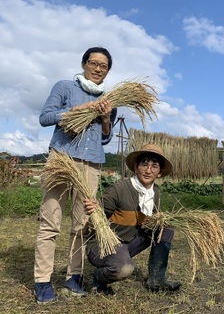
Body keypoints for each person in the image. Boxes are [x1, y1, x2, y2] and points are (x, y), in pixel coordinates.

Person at [34, 47, 117, 304]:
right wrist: (76, 112)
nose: (98, 68)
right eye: (93, 63)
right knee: (51, 220)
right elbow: (45, 117)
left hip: (91, 164)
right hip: (62, 159)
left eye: (103, 66)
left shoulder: (108, 99)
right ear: (83, 64)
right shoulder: (65, 87)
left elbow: (106, 138)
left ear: (107, 71)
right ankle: (42, 281)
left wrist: (105, 118)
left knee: (82, 225)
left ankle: (75, 276)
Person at [84, 144, 181, 295]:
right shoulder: (120, 189)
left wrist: (157, 219)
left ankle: (156, 279)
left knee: (165, 228)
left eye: (154, 166)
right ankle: (98, 279)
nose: (148, 170)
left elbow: (150, 219)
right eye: (144, 164)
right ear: (135, 167)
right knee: (124, 269)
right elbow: (96, 218)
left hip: (128, 242)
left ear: (160, 172)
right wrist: (94, 209)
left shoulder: (154, 192)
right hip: (104, 244)